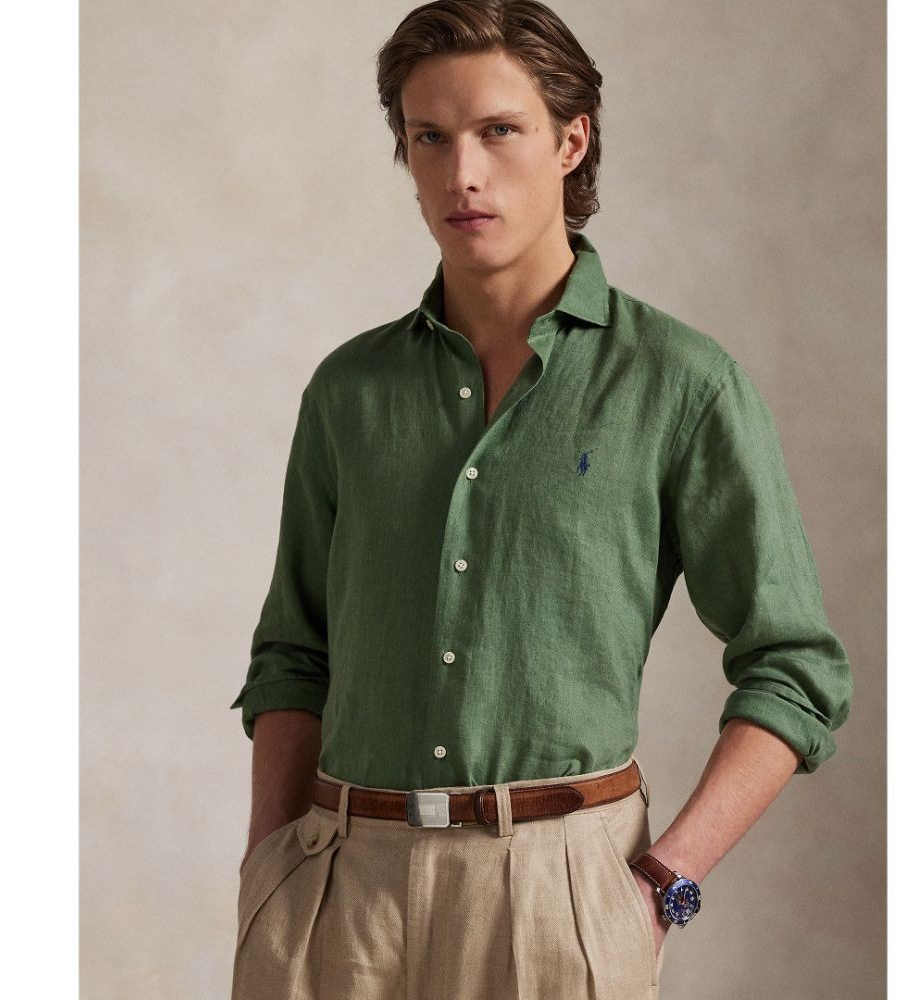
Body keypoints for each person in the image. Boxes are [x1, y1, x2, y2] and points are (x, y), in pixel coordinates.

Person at [228, 2, 853, 997]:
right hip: (340, 894)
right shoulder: (349, 391)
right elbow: (294, 655)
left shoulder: (681, 384)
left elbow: (795, 668)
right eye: (429, 137)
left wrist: (664, 882)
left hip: (559, 898)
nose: (460, 173)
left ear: (571, 141)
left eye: (497, 131)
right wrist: (269, 867)